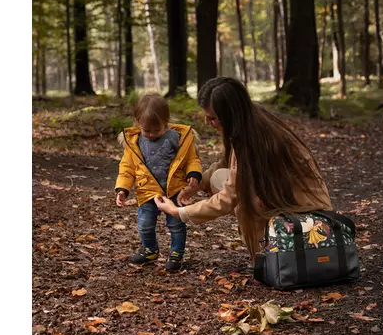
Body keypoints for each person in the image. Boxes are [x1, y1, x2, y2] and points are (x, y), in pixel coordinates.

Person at [155, 77, 333, 261]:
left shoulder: (252, 141)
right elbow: (226, 164)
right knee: (218, 177)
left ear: (229, 115)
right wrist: (197, 184)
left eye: (213, 118)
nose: (208, 123)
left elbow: (228, 199)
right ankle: (266, 245)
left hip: (305, 210)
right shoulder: (253, 120)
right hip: (292, 199)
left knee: (245, 199)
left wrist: (179, 213)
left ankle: (264, 256)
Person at [115, 92, 202, 271]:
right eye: (147, 130)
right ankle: (149, 249)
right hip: (147, 190)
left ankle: (177, 253)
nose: (152, 134)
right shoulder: (134, 141)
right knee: (145, 223)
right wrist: (122, 188)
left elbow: (191, 159)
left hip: (174, 189)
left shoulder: (177, 138)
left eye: (157, 130)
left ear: (166, 121)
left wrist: (193, 172)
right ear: (138, 122)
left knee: (176, 224)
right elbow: (127, 167)